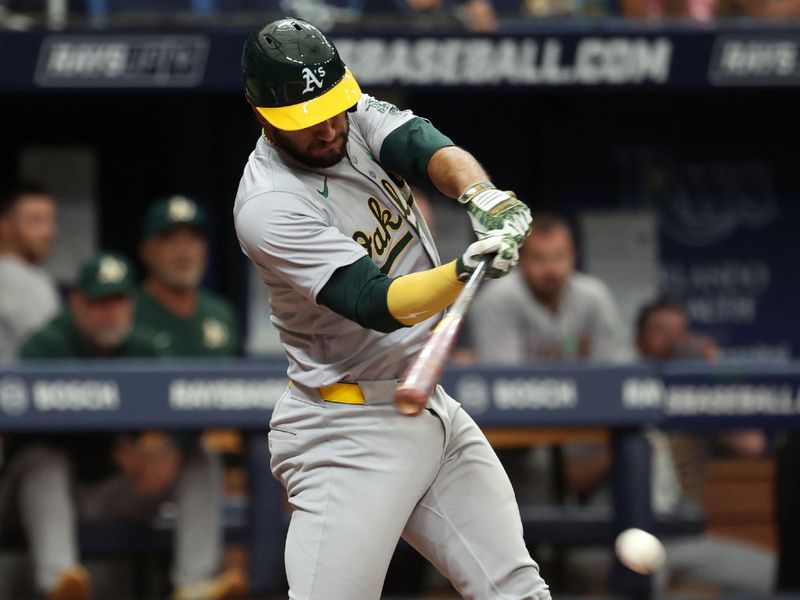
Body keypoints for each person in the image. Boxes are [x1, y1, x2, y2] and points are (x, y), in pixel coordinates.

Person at [234, 18, 550, 600]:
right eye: (307, 122)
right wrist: (462, 270)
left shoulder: (349, 114)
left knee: (517, 591)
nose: (330, 129)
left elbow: (423, 146)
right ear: (262, 114)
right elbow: (374, 302)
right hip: (346, 430)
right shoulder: (269, 205)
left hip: (424, 407)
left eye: (334, 108)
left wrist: (483, 196)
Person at [0, 252, 244, 600]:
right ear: (77, 303)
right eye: (99, 302)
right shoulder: (49, 343)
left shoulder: (142, 346)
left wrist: (170, 450)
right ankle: (59, 582)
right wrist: (110, 439)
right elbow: (20, 419)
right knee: (45, 460)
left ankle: (194, 584)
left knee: (198, 457)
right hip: (30, 498)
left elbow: (185, 399)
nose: (110, 313)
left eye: (118, 302)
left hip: (108, 489)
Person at [470, 212, 631, 365]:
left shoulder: (594, 297)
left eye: (559, 257)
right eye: (538, 258)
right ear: (520, 260)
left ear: (574, 256)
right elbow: (503, 380)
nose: (550, 269)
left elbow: (611, 371)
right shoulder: (496, 299)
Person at [136, 195, 239, 358]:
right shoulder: (127, 312)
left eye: (192, 240)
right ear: (147, 251)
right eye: (171, 241)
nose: (184, 253)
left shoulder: (221, 313)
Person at [0, 181, 60, 363]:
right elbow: (49, 355)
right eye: (36, 221)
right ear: (5, 226)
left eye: (51, 220)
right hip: (18, 386)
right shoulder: (19, 278)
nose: (49, 232)